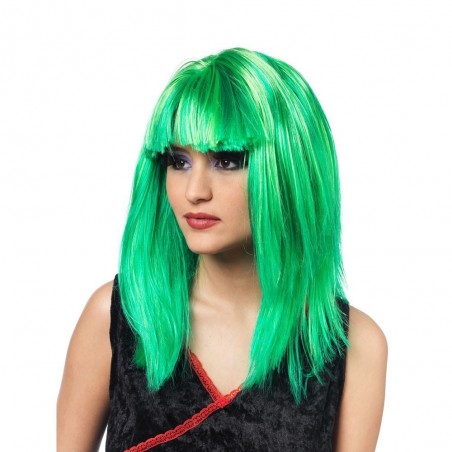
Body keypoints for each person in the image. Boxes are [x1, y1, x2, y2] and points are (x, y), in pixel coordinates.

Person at [57, 48, 387, 451]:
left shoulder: (352, 348)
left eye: (227, 161)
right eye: (179, 161)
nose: (194, 191)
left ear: (289, 170)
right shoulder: (120, 317)